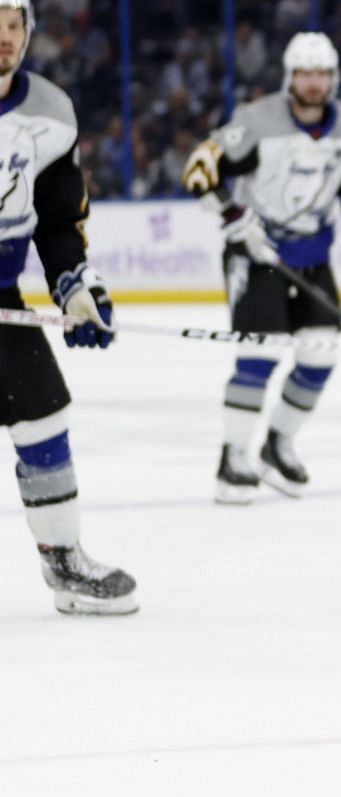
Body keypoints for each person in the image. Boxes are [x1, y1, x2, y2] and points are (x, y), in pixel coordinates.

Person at [182, 31, 341, 504]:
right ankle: (233, 457)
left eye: (321, 74)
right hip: (257, 255)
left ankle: (278, 445)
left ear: (333, 77)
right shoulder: (257, 121)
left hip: (312, 256)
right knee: (260, 354)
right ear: (289, 77)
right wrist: (234, 217)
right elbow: (200, 167)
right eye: (304, 73)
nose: (313, 83)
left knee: (319, 352)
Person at [0, 0, 134, 614]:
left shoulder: (51, 112)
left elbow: (57, 223)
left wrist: (76, 289)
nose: (4, 37)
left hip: (3, 297)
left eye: (13, 23)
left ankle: (63, 563)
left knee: (44, 417)